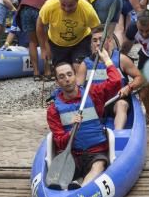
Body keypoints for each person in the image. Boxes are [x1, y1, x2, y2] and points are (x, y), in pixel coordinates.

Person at [47, 48, 122, 188]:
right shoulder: (53, 110)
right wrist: (70, 133)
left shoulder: (93, 93)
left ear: (75, 76)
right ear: (57, 81)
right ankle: (72, 183)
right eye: (62, 77)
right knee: (67, 169)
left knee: (99, 164)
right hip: (71, 155)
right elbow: (59, 142)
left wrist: (107, 60)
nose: (67, 79)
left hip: (96, 152)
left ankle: (81, 189)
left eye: (69, 74)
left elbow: (116, 82)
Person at [77, 26, 144, 129]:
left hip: (116, 99)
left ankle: (118, 134)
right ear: (91, 44)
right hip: (95, 103)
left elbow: (140, 77)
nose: (98, 43)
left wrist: (128, 87)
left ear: (109, 40)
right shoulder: (85, 64)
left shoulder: (121, 59)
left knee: (121, 104)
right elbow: (78, 90)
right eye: (94, 40)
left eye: (101, 39)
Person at [36, 0, 100, 69]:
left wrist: (95, 46)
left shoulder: (87, 9)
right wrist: (43, 48)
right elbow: (40, 25)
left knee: (79, 67)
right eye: (63, 5)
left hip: (81, 40)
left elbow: (96, 29)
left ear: (77, 1)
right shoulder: (49, 6)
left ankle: (81, 82)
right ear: (59, 0)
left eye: (71, 5)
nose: (67, 8)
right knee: (62, 70)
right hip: (57, 43)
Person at [18, 0, 60, 80]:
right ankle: (47, 72)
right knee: (45, 41)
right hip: (39, 10)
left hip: (24, 10)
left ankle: (36, 73)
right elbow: (61, 1)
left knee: (32, 41)